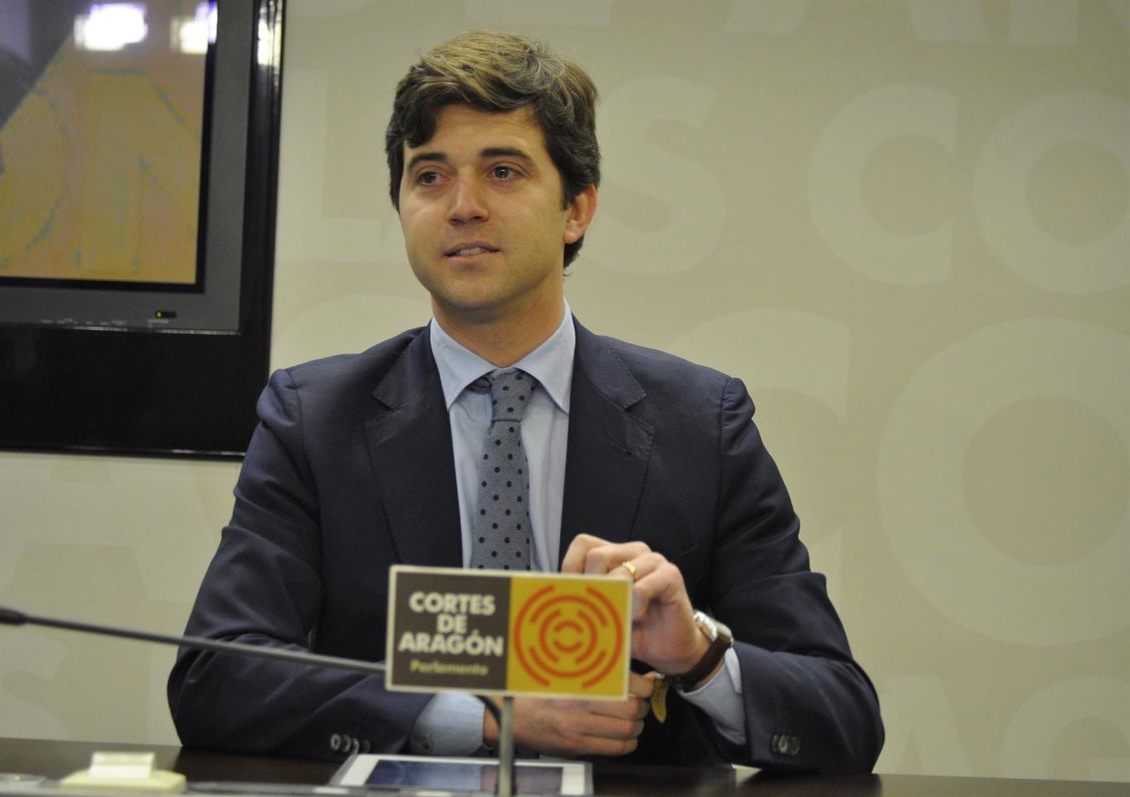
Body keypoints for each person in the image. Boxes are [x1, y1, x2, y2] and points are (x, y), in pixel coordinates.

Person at [168, 29, 883, 773]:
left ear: (577, 209)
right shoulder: (314, 420)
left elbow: (845, 716)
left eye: (503, 171)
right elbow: (216, 678)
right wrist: (483, 715)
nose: (463, 206)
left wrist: (698, 655)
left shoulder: (703, 424)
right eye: (429, 176)